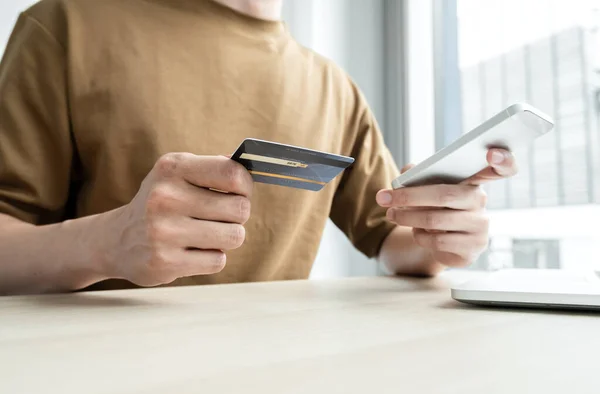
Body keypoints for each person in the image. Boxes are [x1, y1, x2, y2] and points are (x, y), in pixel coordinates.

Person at [0, 0, 516, 295]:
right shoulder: (67, 24)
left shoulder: (334, 85)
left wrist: (444, 230)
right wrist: (108, 242)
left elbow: (394, 243)